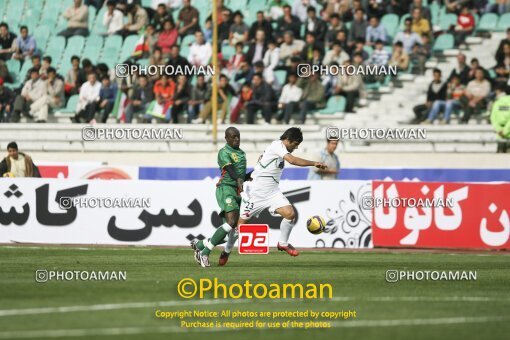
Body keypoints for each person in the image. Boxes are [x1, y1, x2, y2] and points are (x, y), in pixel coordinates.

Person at [215, 128, 328, 265]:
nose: (296, 147)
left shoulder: (279, 149)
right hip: (255, 194)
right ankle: (226, 251)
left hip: (273, 192)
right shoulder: (277, 145)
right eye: (295, 144)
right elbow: (292, 161)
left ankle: (283, 243)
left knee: (290, 214)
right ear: (288, 140)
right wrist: (314, 163)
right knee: (238, 227)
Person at [191, 127, 249, 267]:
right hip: (226, 189)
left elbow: (240, 176)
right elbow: (230, 171)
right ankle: (204, 253)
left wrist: (251, 176)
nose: (236, 139)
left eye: (238, 137)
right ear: (226, 138)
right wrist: (239, 180)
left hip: (236, 192)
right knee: (231, 223)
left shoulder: (242, 153)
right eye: (233, 137)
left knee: (229, 233)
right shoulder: (224, 152)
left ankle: (199, 244)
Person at [490, 84, 510, 153]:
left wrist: (499, 129)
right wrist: (505, 131)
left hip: (499, 134)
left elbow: (493, 117)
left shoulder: (497, 102)